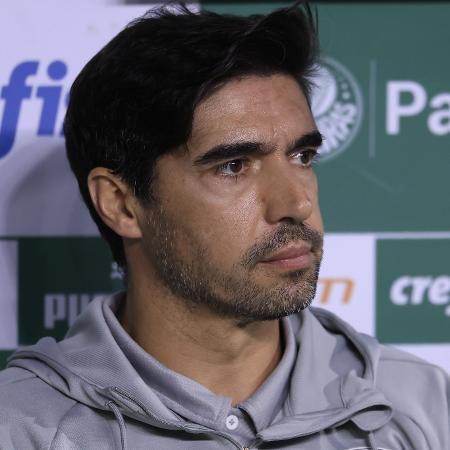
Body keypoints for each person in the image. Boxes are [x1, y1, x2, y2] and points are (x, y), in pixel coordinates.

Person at [0, 3, 448, 450]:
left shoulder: (422, 406)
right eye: (234, 166)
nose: (297, 202)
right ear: (121, 205)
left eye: (302, 156)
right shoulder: (21, 428)